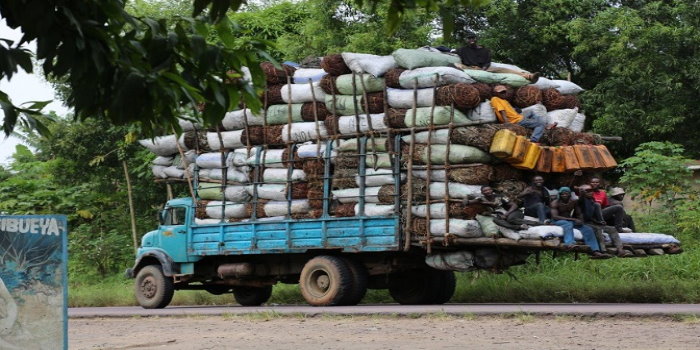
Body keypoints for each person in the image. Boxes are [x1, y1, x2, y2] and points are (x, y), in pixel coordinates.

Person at [453, 32, 540, 82]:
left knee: (504, 70)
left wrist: (484, 69)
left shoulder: (485, 50)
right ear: (466, 40)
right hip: (470, 68)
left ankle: (529, 76)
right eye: (469, 38)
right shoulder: (462, 50)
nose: (471, 40)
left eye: (473, 38)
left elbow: (488, 62)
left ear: (476, 39)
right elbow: (448, 50)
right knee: (456, 65)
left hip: (483, 68)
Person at [550, 187, 611, 258]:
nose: (564, 195)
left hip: (570, 220)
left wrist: (580, 220)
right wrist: (572, 219)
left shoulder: (573, 202)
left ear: (570, 194)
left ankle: (595, 251)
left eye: (566, 193)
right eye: (562, 194)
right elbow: (555, 216)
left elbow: (579, 213)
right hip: (558, 221)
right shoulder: (555, 203)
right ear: (559, 194)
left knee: (588, 229)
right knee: (568, 224)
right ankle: (569, 243)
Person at [577, 184, 632, 257]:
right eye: (588, 191)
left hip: (594, 222)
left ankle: (620, 250)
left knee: (612, 229)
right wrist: (581, 193)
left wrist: (600, 221)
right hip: (585, 223)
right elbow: (584, 215)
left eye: (591, 190)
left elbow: (593, 216)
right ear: (582, 192)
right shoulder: (580, 201)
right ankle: (603, 251)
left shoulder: (593, 201)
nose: (591, 192)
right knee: (598, 229)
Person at [464, 185, 532, 230]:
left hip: (514, 212)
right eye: (485, 191)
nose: (487, 192)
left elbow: (515, 205)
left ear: (492, 190)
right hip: (501, 215)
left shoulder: (501, 196)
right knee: (495, 220)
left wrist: (506, 214)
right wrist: (466, 196)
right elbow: (466, 203)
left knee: (510, 219)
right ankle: (520, 227)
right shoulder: (481, 199)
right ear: (482, 192)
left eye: (489, 190)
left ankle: (535, 223)